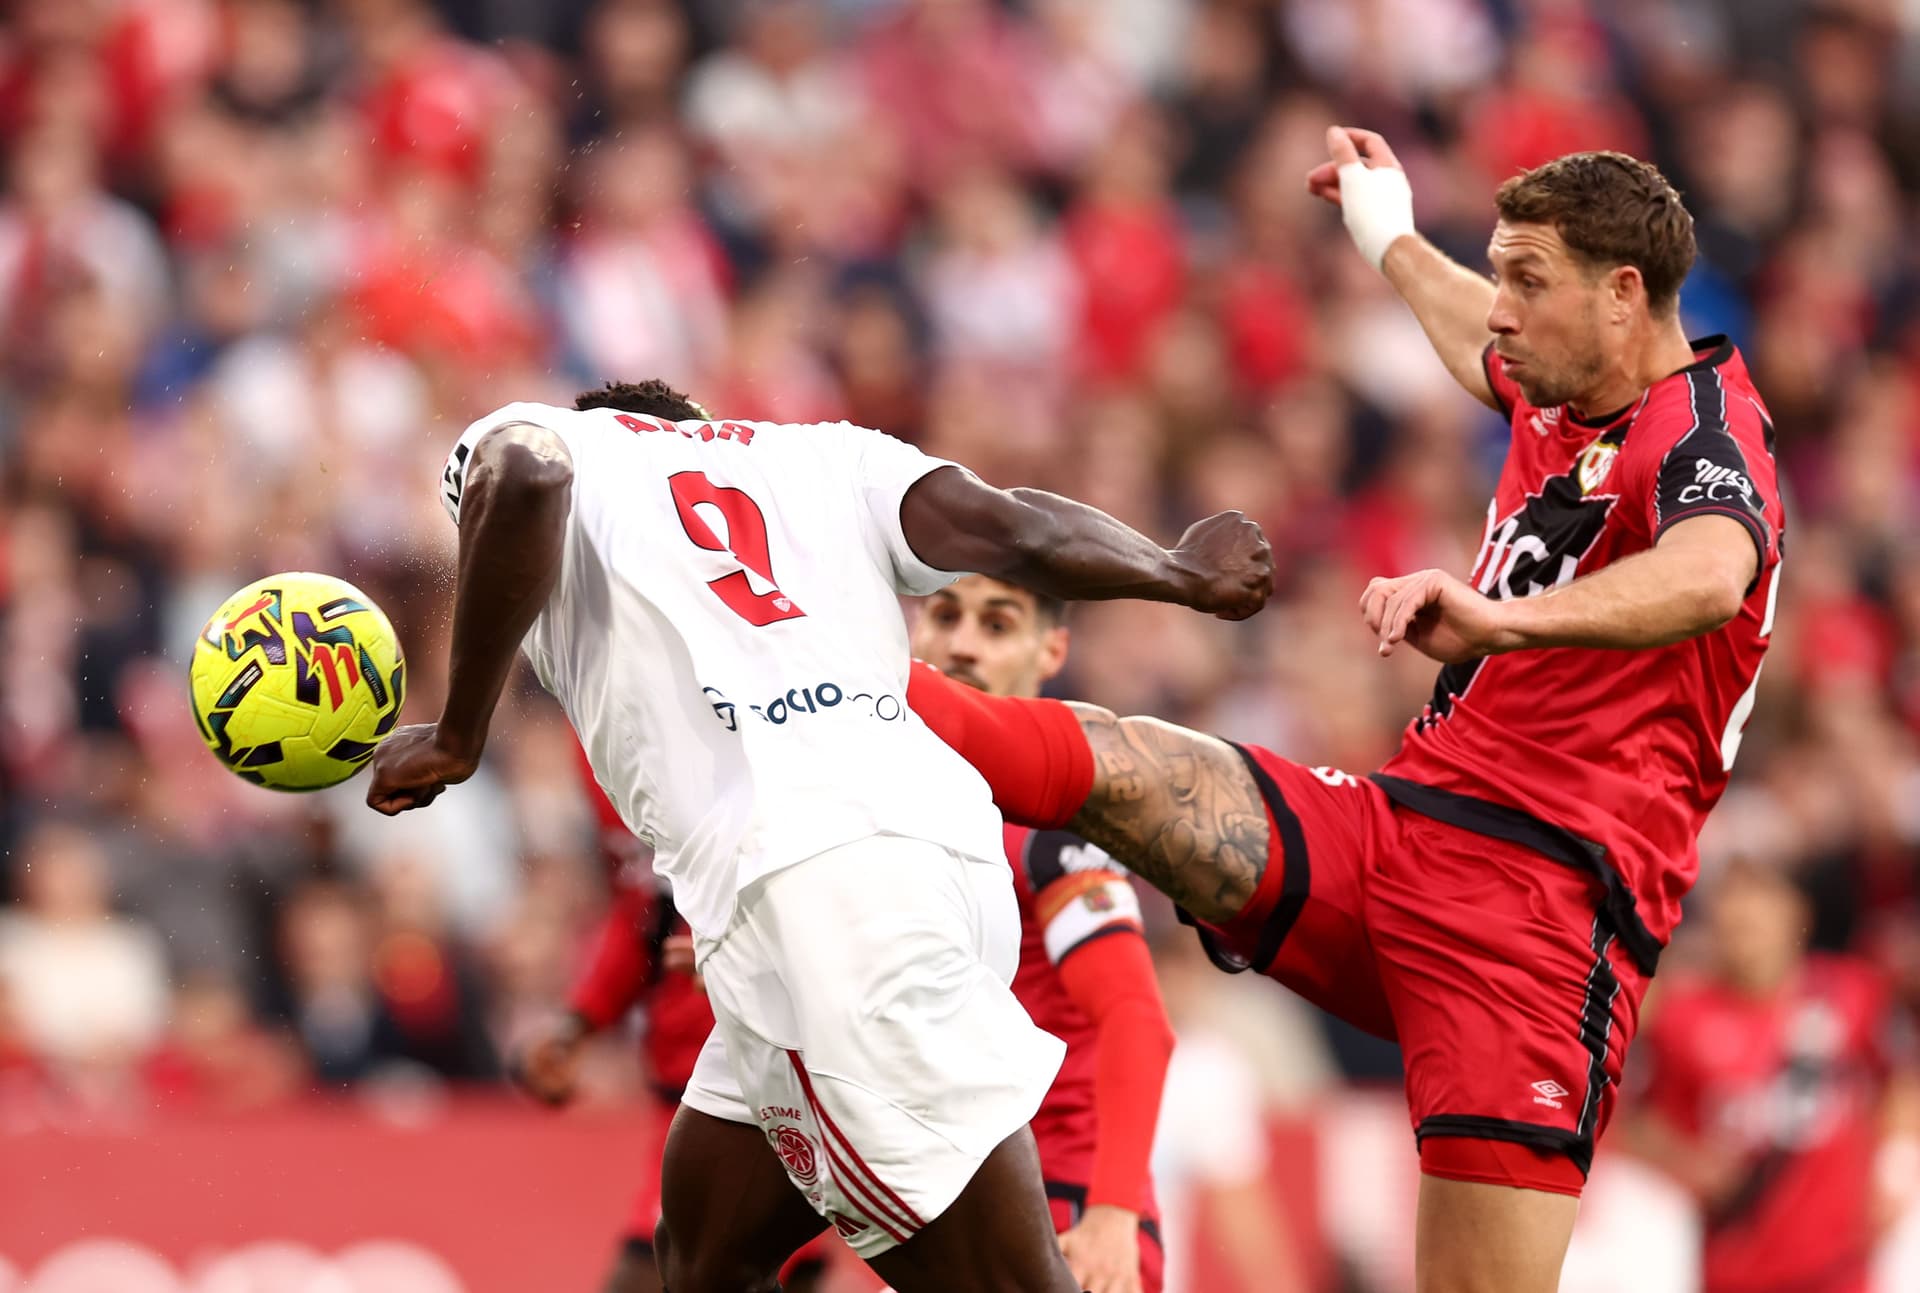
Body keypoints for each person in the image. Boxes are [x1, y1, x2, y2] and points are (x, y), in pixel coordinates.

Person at [900, 128, 1785, 1293]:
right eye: (1503, 275)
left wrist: (1499, 622)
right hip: (1399, 834)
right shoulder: (1561, 385)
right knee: (1123, 763)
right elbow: (1478, 334)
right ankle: (830, 656)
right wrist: (1386, 234)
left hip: (1538, 926)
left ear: (1624, 297)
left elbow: (1713, 571)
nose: (1504, 313)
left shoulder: (1706, 431)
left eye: (1529, 281)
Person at [366, 378, 1272, 1293]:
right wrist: (1177, 569)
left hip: (817, 903)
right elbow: (1015, 529)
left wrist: (456, 734)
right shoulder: (831, 455)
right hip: (929, 865)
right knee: (703, 1254)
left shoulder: (560, 440)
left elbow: (520, 476)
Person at [911, 575, 1175, 1293]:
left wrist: (1112, 1214)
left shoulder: (1053, 826)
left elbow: (1136, 1018)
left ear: (1051, 648)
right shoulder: (894, 813)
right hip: (948, 1211)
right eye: (943, 614)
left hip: (1065, 1217)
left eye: (996, 625)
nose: (961, 643)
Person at [514, 748, 838, 1293]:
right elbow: (645, 907)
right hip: (691, 1084)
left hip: (777, 1077)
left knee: (659, 1272)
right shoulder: (597, 734)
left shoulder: (763, 716)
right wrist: (579, 1022)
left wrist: (745, 959)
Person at [1624, 858, 1920, 1293]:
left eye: (1758, 918)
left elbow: (1899, 1078)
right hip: (1736, 1265)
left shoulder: (1851, 993)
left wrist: (1898, 1160)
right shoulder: (1680, 1019)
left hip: (1841, 1266)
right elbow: (1635, 1120)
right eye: (1735, 922)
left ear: (1795, 916)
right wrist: (1687, 1164)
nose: (1747, 934)